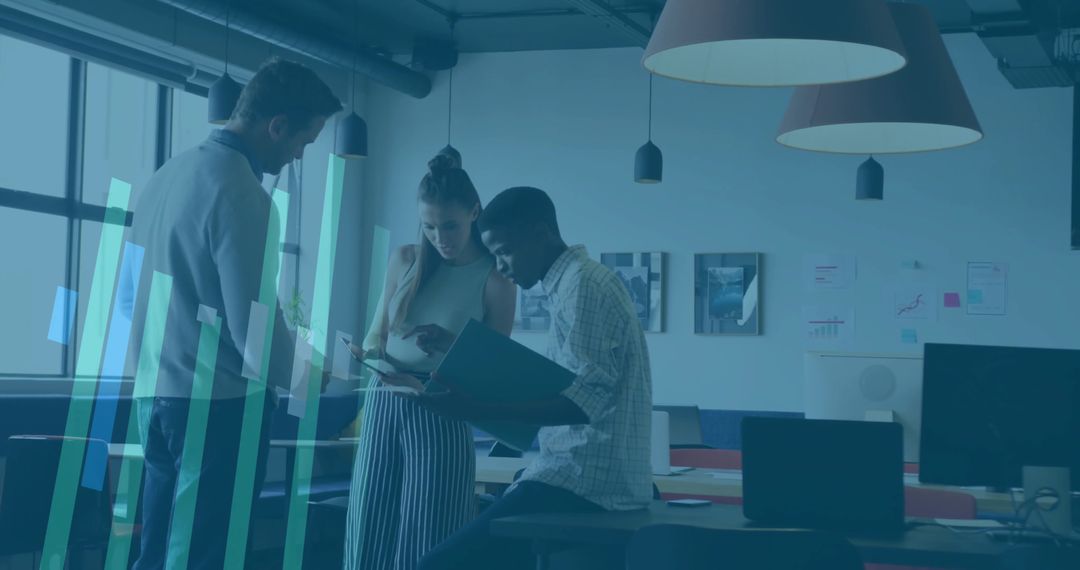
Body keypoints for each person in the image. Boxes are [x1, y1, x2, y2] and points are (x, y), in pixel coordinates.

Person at [124, 57, 341, 569]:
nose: (296, 156)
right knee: (208, 555)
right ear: (277, 126)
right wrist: (309, 377)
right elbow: (255, 332)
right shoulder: (245, 194)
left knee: (157, 549)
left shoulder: (164, 176)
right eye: (302, 143)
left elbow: (131, 294)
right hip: (217, 406)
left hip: (153, 393)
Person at [382, 186, 653, 570]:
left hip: (583, 483)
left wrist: (472, 408)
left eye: (505, 252)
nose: (502, 267)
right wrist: (450, 345)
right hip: (579, 477)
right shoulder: (574, 284)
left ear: (541, 234)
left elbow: (581, 404)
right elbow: (558, 383)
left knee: (435, 565)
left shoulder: (583, 287)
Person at [343, 154, 516, 570]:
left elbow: (494, 370)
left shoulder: (496, 278)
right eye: (429, 226)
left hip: (442, 406)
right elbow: (376, 333)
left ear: (474, 211)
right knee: (368, 522)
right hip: (384, 399)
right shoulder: (405, 260)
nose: (441, 237)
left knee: (432, 530)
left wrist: (449, 342)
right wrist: (365, 354)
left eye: (451, 225)